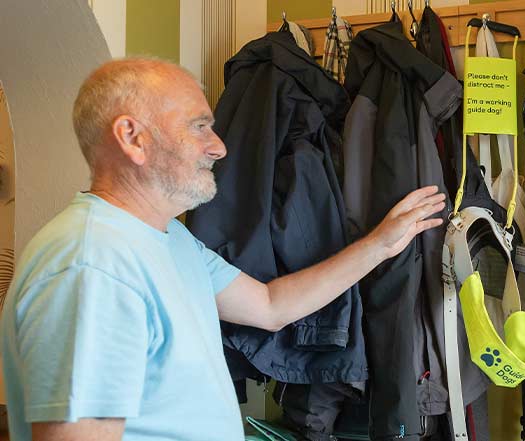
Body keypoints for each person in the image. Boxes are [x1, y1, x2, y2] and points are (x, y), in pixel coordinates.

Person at [1, 58, 446, 441]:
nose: (218, 147)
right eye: (199, 127)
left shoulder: (169, 239)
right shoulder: (93, 265)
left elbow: (271, 305)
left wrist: (380, 245)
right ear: (132, 137)